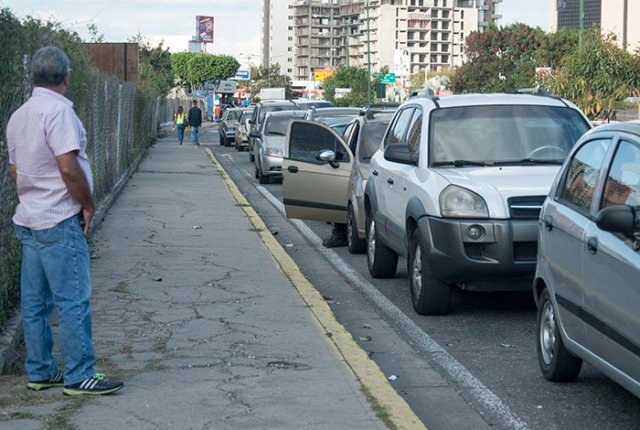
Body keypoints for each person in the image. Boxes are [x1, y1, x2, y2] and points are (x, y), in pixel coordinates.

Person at [7, 46, 124, 396]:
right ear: (67, 77)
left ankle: (41, 370)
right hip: (58, 218)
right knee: (72, 299)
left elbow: (15, 170)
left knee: (36, 302)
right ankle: (79, 374)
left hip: (29, 218)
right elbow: (68, 167)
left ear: (32, 77)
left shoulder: (19, 116)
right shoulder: (59, 113)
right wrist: (87, 205)